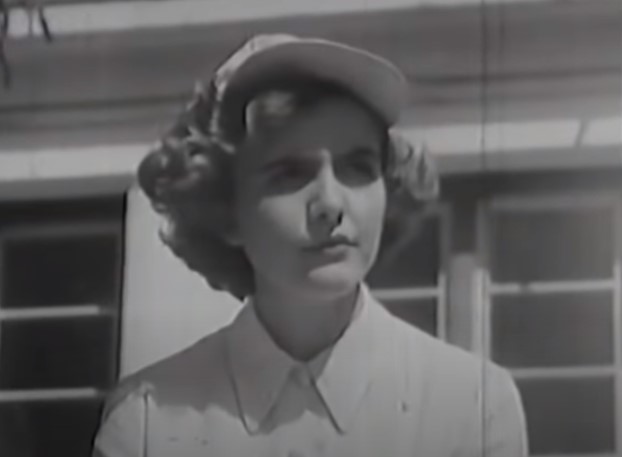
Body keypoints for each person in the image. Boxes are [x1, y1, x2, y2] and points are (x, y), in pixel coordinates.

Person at [92, 34, 528, 457]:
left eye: (358, 167)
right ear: (226, 210)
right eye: (290, 174)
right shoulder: (149, 421)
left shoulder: (472, 406)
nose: (331, 204)